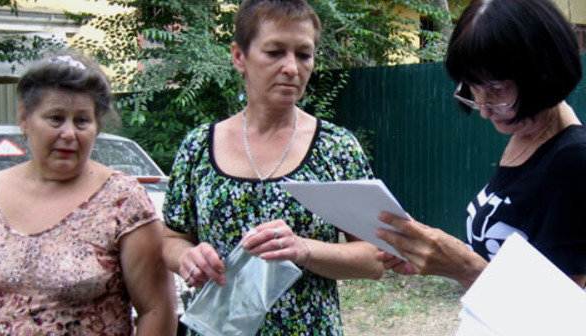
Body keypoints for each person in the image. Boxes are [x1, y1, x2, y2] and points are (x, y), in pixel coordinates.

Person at [162, 0, 385, 334]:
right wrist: (186, 257)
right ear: (239, 57)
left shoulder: (336, 148)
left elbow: (375, 258)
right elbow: (171, 237)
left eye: (304, 54)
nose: (292, 68)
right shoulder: (198, 148)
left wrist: (303, 249)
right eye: (275, 52)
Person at [376, 0, 586, 289]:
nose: (485, 110)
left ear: (543, 73)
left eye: (497, 90)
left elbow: (561, 315)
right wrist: (437, 258)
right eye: (473, 89)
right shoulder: (526, 136)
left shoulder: (574, 162)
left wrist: (466, 268)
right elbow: (505, 262)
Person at [0, 54, 177, 335]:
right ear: (24, 119)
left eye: (82, 121)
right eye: (55, 118)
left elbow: (157, 309)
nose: (69, 133)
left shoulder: (123, 200)